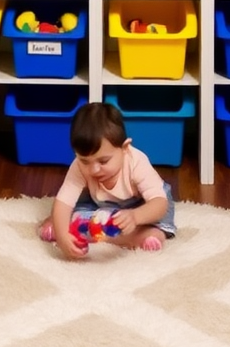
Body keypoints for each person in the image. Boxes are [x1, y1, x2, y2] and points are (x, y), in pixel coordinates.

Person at [39, 101, 176, 260]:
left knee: (159, 219)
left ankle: (146, 235)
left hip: (143, 206)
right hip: (100, 203)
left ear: (124, 148)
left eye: (103, 161)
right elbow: (64, 201)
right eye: (85, 161)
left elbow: (159, 203)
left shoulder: (136, 162)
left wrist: (135, 217)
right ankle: (62, 225)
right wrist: (63, 237)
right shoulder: (79, 166)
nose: (94, 170)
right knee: (70, 216)